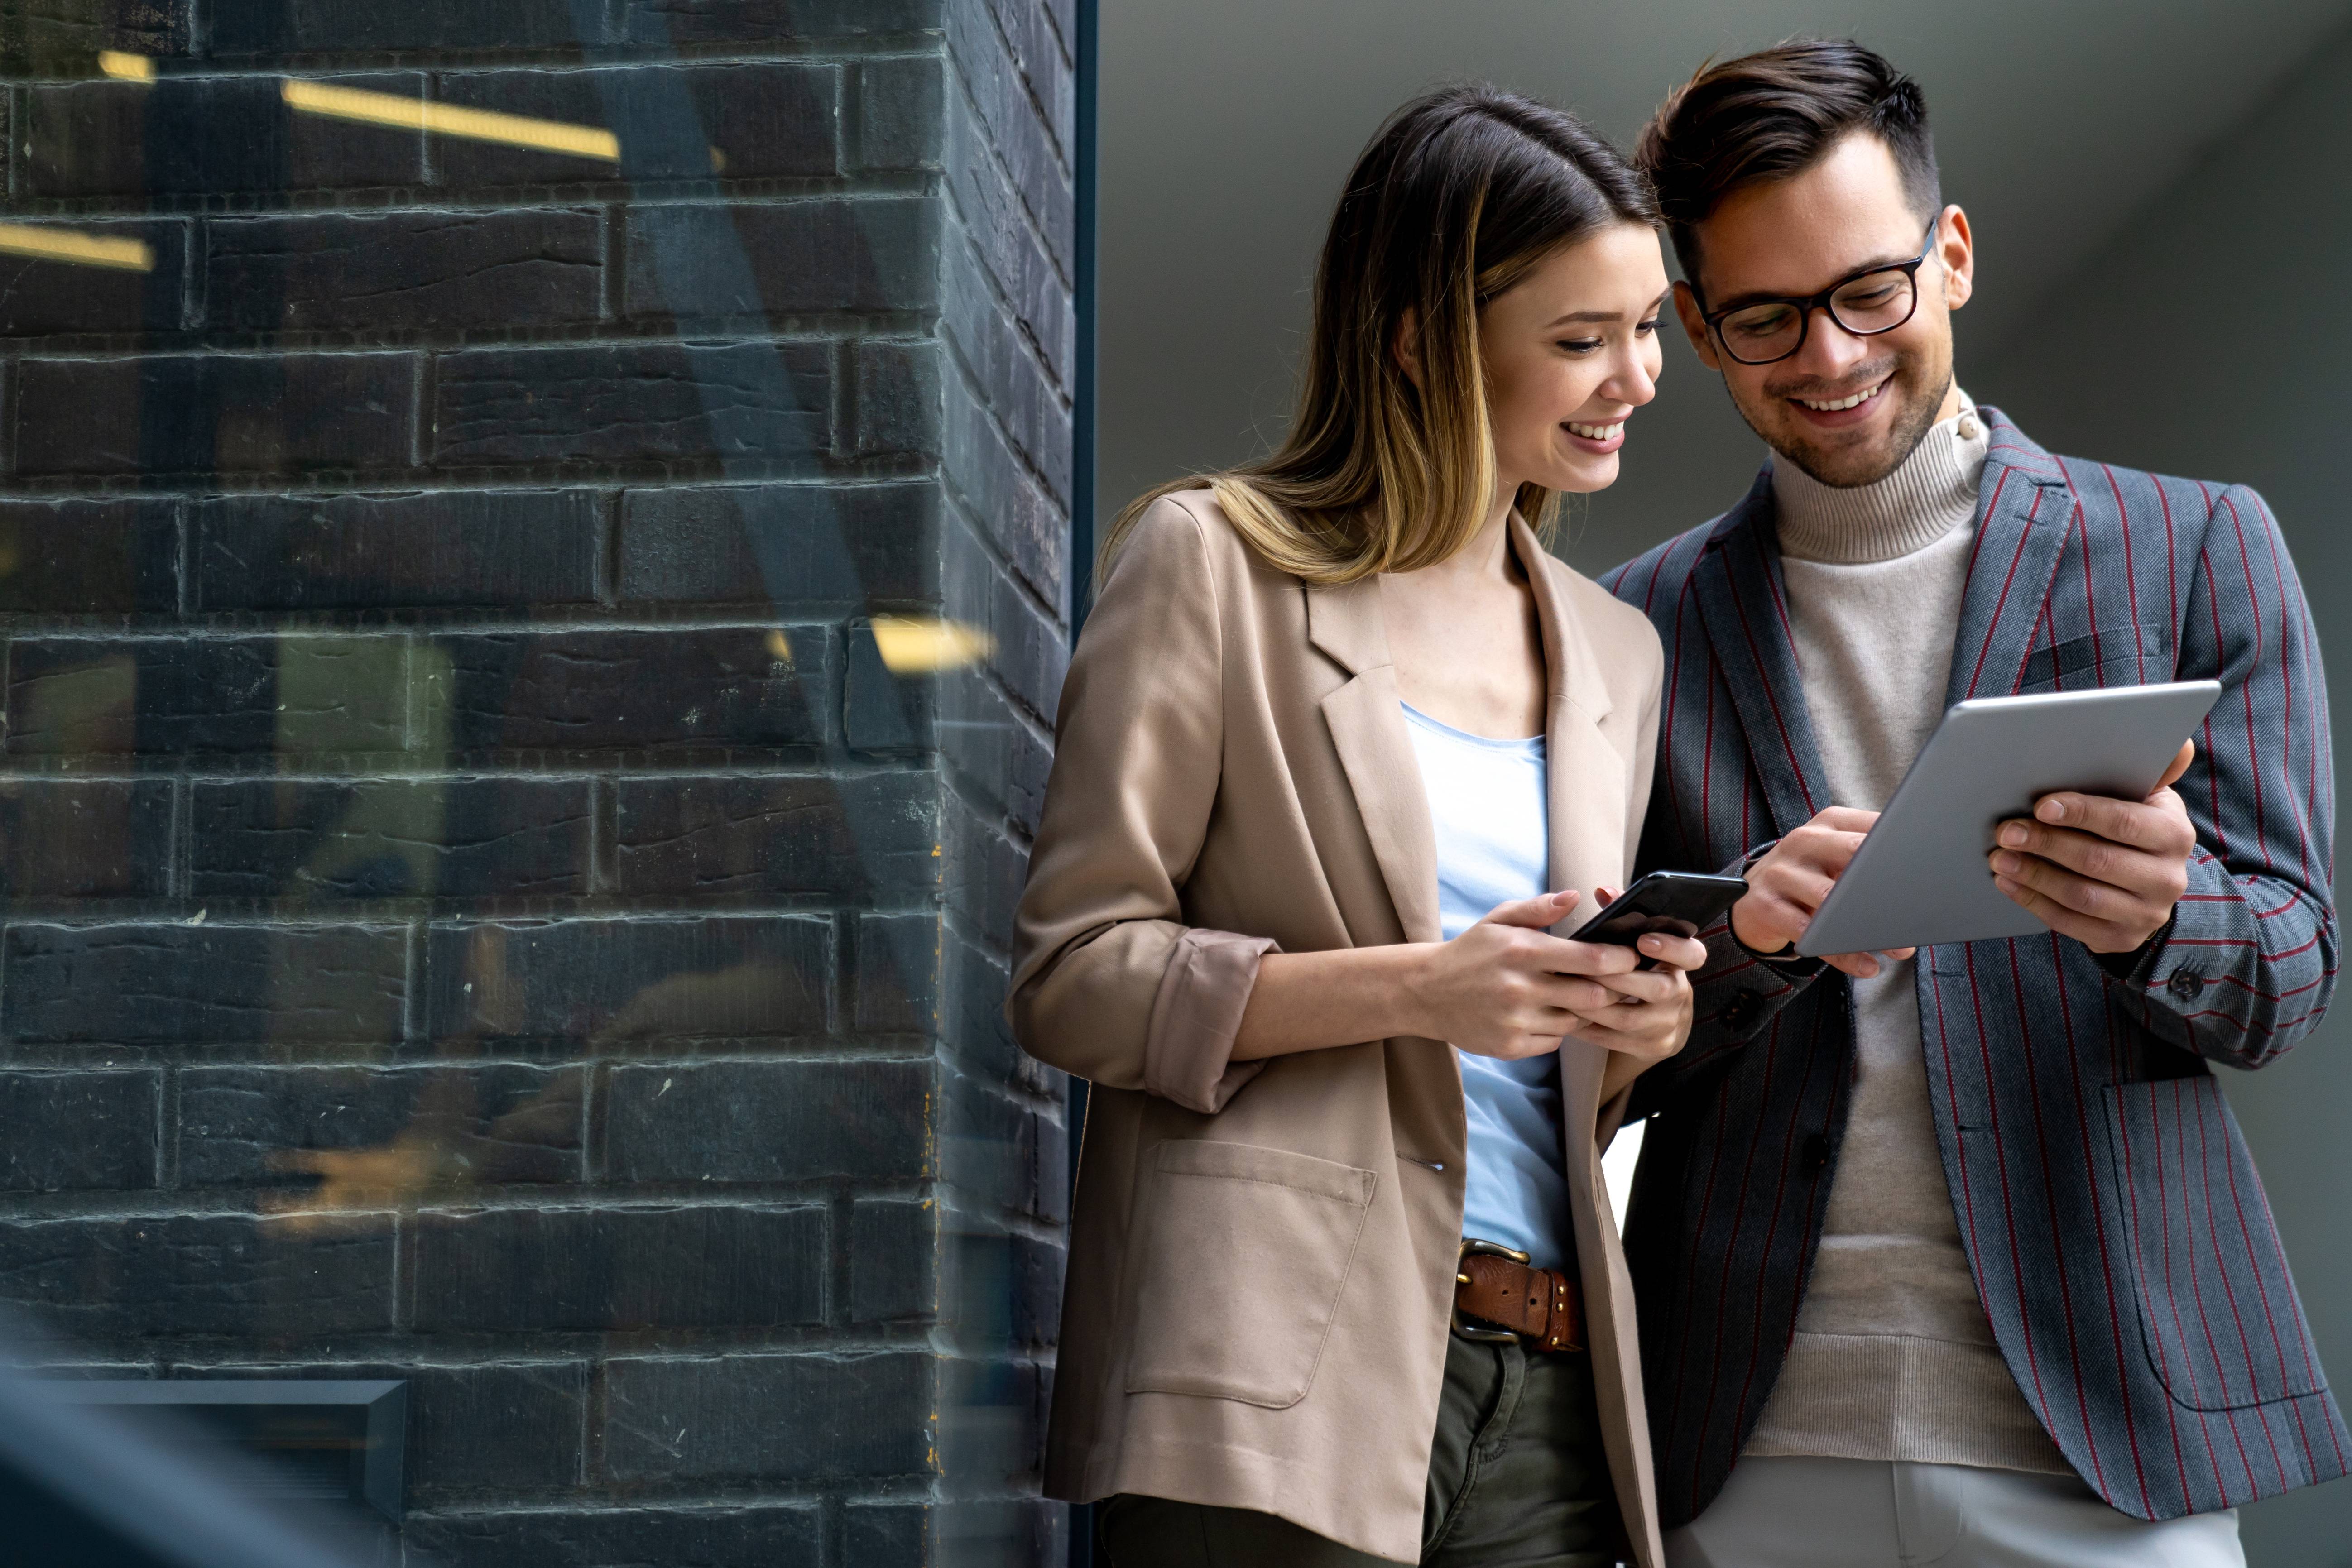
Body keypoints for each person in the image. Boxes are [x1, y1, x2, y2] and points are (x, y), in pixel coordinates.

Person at [1602, 39, 2342, 1568]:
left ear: (1949, 254)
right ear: (1694, 326)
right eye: (1762, 318)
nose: (1826, 356)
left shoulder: (2193, 548)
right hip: (1743, 1434)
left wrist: (2162, 919)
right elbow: (1597, 1044)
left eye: (1867, 290)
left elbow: (2289, 970)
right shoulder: (1637, 627)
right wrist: (1740, 939)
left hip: (2102, 1420)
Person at [1011, 86, 1704, 1568]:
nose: (1636, 376)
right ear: (1419, 338)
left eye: (1647, 325)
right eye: (1581, 339)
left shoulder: (1617, 654)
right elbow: (1073, 978)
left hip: (1558, 1384)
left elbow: (1541, 1088)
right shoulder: (1211, 565)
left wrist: (1630, 1033)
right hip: (1273, 1368)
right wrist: (1422, 985)